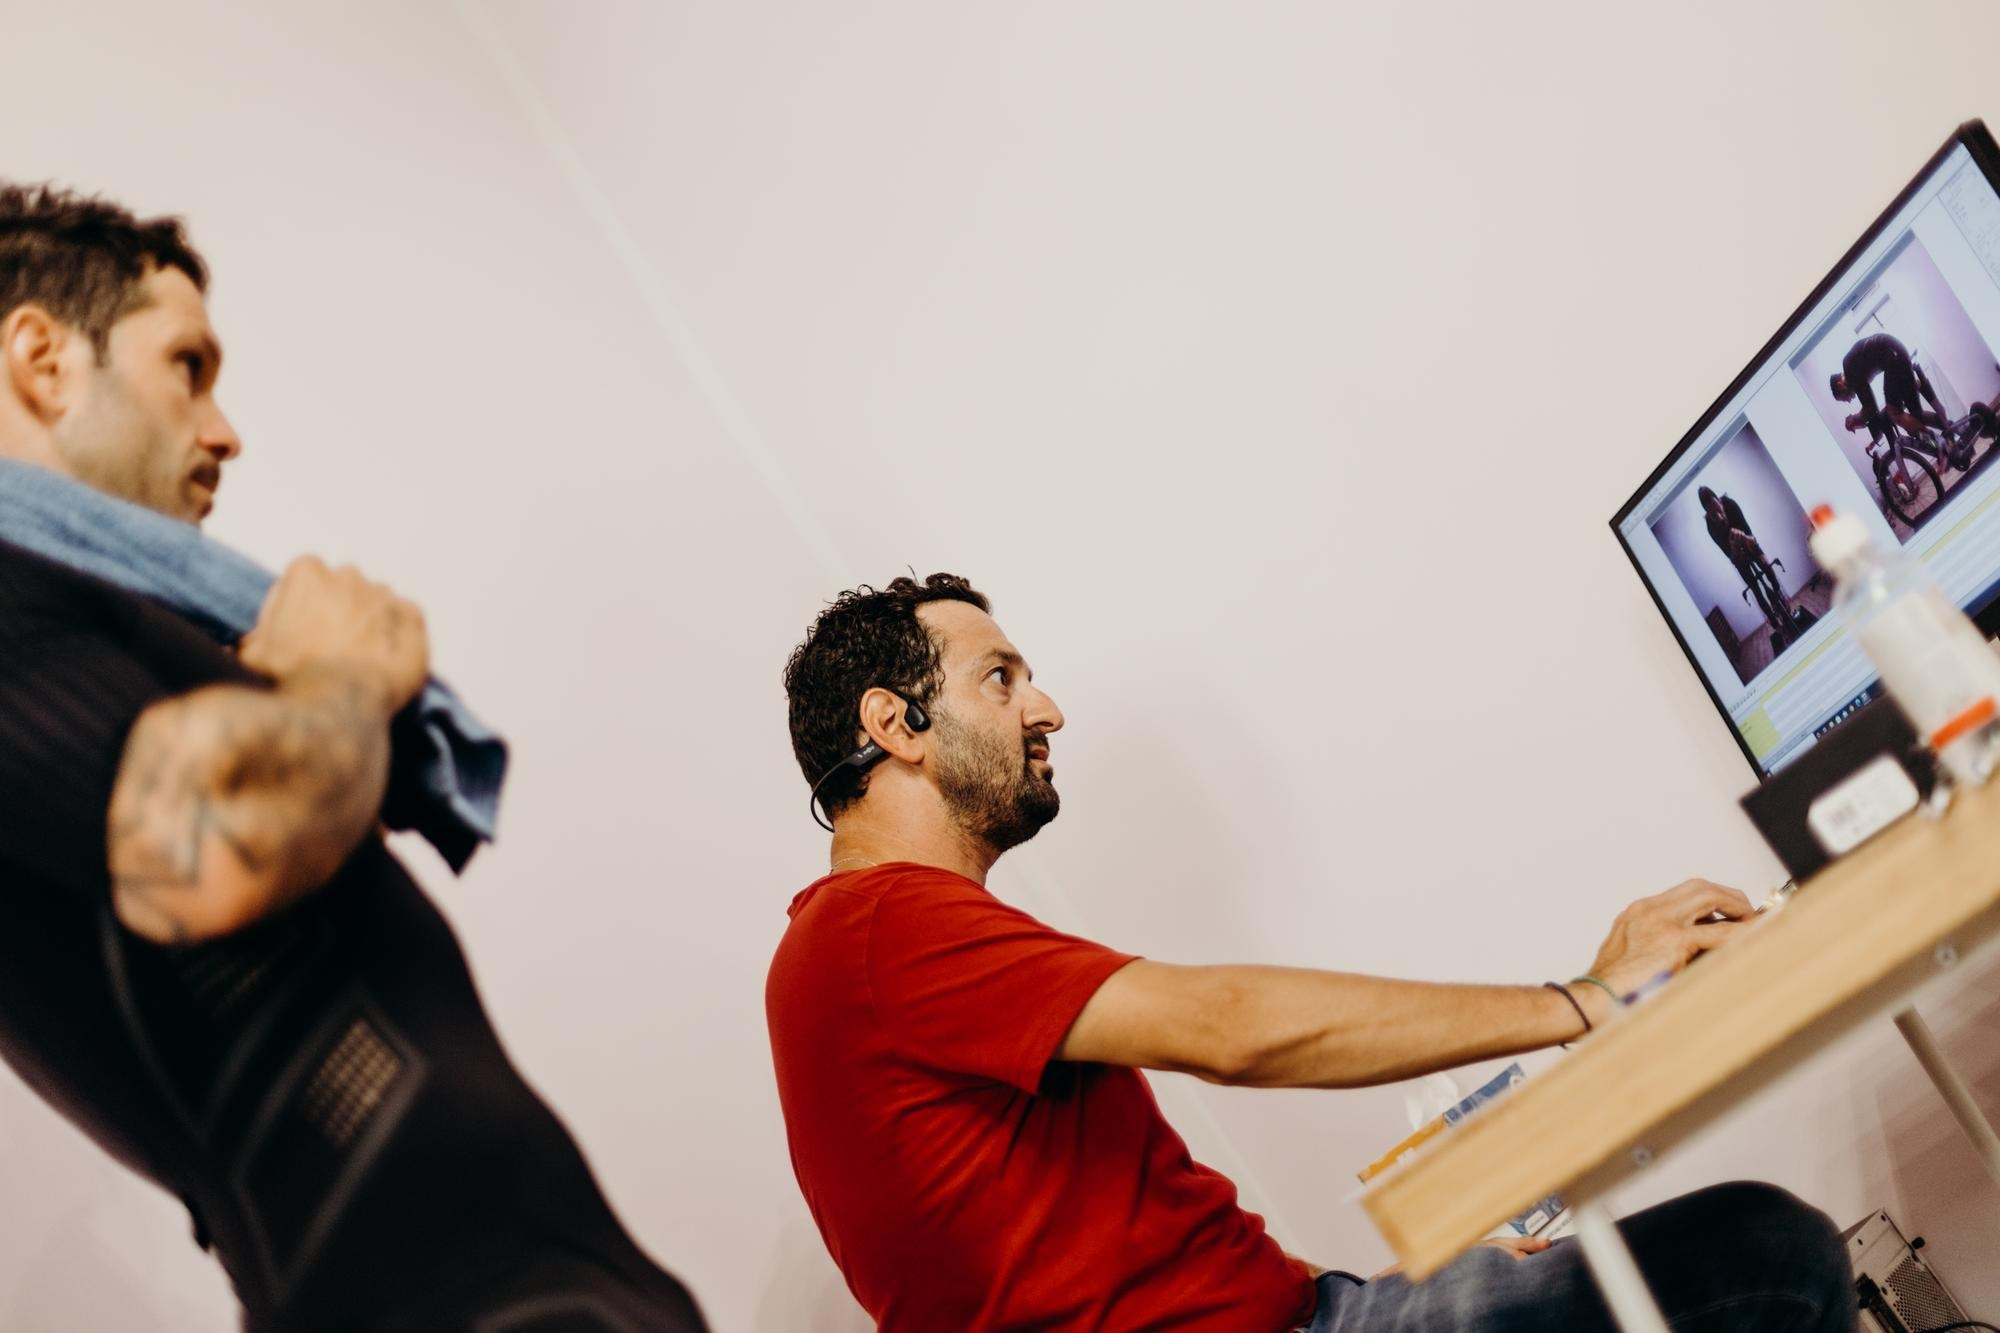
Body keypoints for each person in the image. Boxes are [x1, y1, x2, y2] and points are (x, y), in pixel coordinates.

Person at [768, 573, 1856, 1332]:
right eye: (998, 678)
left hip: (1314, 1308)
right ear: (895, 723)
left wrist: (1384, 1289)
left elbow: (1089, 1257)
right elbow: (1224, 1024)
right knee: (1762, 1255)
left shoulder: (868, 944)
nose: (1045, 706)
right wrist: (1590, 999)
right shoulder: (878, 928)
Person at [0, 183, 706, 1332]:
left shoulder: (111, 635)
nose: (225, 429)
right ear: (42, 358)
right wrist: (342, 680)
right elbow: (202, 843)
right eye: (188, 365)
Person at [1699, 484, 1788, 635]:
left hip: (1749, 542)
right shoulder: (1710, 525)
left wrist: (1741, 536)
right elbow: (1729, 555)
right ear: (1708, 514)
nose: (1718, 514)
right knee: (1755, 589)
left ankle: (1779, 592)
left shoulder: (1730, 504)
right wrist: (1732, 544)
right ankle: (1774, 621)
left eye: (1719, 509)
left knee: (1766, 565)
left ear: (1720, 502)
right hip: (1736, 556)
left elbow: (1751, 535)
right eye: (1713, 513)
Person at [1831, 332, 1950, 444]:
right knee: (1916, 414)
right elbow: (1870, 405)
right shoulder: (1856, 369)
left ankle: (1938, 442)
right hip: (1898, 352)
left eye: (1844, 398)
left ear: (1840, 384)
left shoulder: (1850, 370)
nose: (1849, 400)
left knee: (1894, 414)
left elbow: (1870, 408)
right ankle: (1953, 430)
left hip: (1892, 360)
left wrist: (1854, 419)